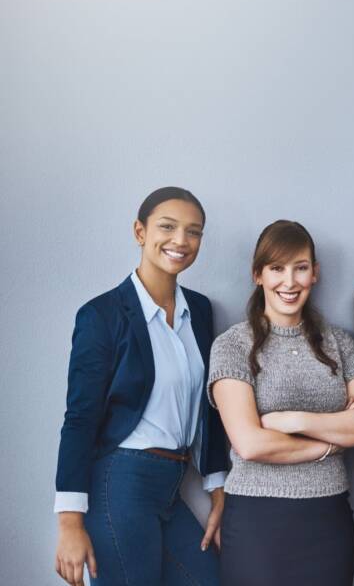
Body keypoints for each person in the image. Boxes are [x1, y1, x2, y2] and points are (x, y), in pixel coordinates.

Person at [53, 187, 228, 586]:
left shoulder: (200, 310)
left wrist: (217, 489)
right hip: (120, 483)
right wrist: (69, 522)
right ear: (140, 232)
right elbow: (79, 418)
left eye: (193, 231)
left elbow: (210, 406)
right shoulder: (102, 315)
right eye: (167, 226)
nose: (181, 240)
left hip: (172, 483)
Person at [208, 219, 354, 586]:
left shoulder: (339, 343)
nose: (289, 282)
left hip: (328, 519)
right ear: (258, 275)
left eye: (300, 268)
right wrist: (330, 444)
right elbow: (250, 444)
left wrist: (293, 420)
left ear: (314, 273)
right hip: (257, 522)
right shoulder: (232, 345)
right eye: (277, 268)